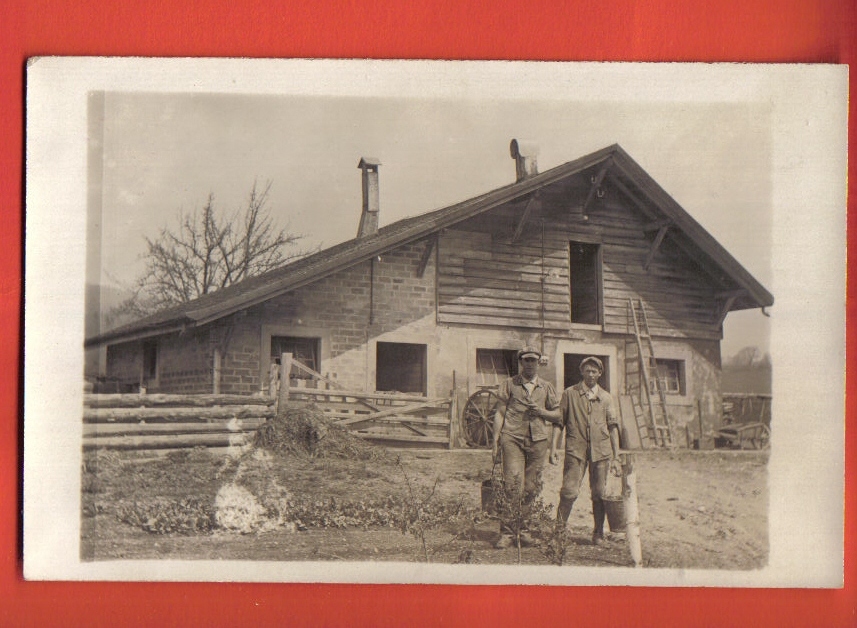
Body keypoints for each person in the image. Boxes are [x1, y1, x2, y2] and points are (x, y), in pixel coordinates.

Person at [491, 346, 561, 548]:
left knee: (531, 487)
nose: (530, 364)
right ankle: (506, 532)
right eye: (526, 360)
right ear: (521, 362)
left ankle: (524, 531)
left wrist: (541, 412)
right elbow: (500, 413)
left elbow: (557, 415)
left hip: (538, 441)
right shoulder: (509, 384)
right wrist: (495, 441)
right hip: (512, 438)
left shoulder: (547, 387)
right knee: (513, 485)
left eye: (533, 361)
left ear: (539, 363)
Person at [550, 356, 622, 546]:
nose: (590, 374)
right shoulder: (569, 394)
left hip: (601, 453)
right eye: (587, 370)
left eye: (594, 371)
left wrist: (617, 456)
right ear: (582, 372)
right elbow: (558, 423)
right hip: (575, 450)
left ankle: (598, 534)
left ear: (600, 374)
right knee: (569, 491)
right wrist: (553, 448)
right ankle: (558, 532)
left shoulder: (606, 398)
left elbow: (613, 427)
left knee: (599, 494)